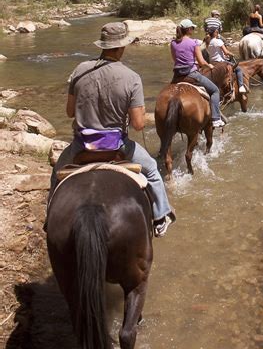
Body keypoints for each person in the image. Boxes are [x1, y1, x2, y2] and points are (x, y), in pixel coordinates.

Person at [48, 22, 175, 237]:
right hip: (117, 145)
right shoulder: (131, 77)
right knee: (153, 171)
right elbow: (138, 124)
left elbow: (70, 112)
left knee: (55, 177)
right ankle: (161, 216)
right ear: (121, 47)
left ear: (103, 45)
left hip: (82, 145)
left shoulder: (79, 70)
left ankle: (48, 219)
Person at [171, 19, 225, 129]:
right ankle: (215, 118)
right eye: (193, 28)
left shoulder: (173, 43)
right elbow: (201, 62)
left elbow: (175, 60)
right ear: (189, 29)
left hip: (176, 76)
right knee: (215, 90)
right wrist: (208, 65)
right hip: (191, 75)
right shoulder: (193, 42)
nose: (193, 30)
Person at [207, 28, 247, 94]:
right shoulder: (218, 41)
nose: (218, 33)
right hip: (221, 62)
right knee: (238, 69)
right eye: (217, 32)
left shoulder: (209, 42)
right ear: (215, 33)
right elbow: (226, 52)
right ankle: (241, 86)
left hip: (212, 63)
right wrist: (232, 54)